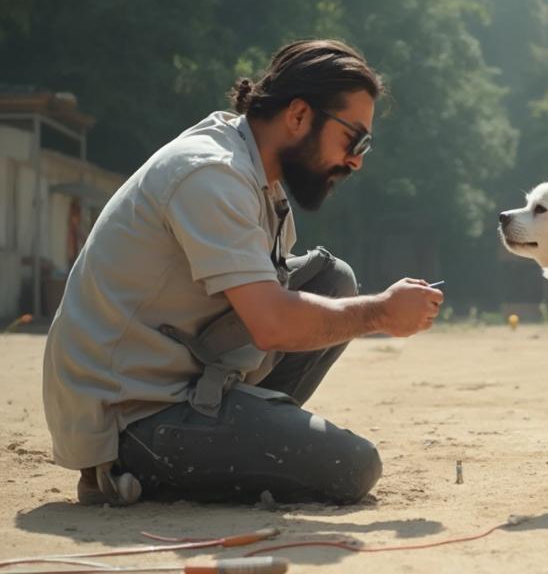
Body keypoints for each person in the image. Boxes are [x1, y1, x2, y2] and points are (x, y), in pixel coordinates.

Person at [43, 39, 444, 507]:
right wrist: (381, 314)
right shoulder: (210, 174)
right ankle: (132, 471)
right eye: (354, 139)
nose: (356, 159)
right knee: (350, 467)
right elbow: (270, 323)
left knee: (332, 281)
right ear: (298, 115)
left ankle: (240, 439)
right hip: (131, 417)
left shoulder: (258, 179)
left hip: (181, 382)